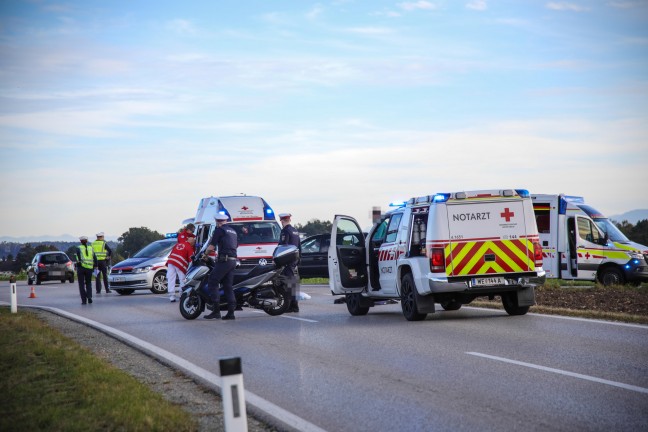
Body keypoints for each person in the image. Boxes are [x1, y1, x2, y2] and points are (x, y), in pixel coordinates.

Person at [203, 214, 238, 320]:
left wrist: (205, 254)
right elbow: (236, 245)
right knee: (228, 286)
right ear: (225, 221)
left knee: (212, 281)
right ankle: (231, 313)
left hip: (224, 261)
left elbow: (212, 246)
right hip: (233, 261)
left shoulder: (219, 230)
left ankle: (216, 311)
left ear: (217, 222)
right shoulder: (233, 231)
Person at [278, 212, 301, 313]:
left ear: (282, 221)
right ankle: (293, 305)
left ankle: (292, 306)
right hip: (294, 260)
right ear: (289, 220)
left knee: (288, 284)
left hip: (287, 261)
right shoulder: (295, 231)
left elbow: (283, 246)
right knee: (292, 283)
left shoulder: (285, 231)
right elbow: (299, 246)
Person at [166, 234, 196, 302]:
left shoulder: (178, 244)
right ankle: (182, 294)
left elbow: (171, 253)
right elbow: (192, 259)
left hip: (171, 261)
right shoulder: (189, 247)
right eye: (194, 243)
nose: (194, 244)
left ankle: (171, 296)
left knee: (171, 278)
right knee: (182, 279)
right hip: (180, 264)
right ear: (192, 242)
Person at [76, 236, 97, 305]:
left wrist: (78, 263)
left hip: (81, 268)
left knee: (81, 284)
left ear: (80, 241)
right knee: (88, 283)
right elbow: (95, 258)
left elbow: (78, 258)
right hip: (89, 268)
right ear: (87, 241)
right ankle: (89, 297)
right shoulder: (91, 248)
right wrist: (95, 266)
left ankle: (84, 300)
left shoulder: (78, 248)